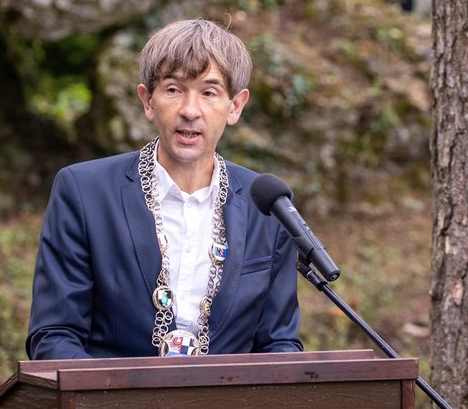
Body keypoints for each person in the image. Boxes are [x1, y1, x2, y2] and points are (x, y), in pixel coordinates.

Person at [26, 19, 302, 359]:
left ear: (235, 106)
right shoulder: (85, 192)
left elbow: (279, 344)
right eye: (173, 89)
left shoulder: (268, 206)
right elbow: (55, 335)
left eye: (209, 92)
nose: (189, 110)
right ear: (147, 101)